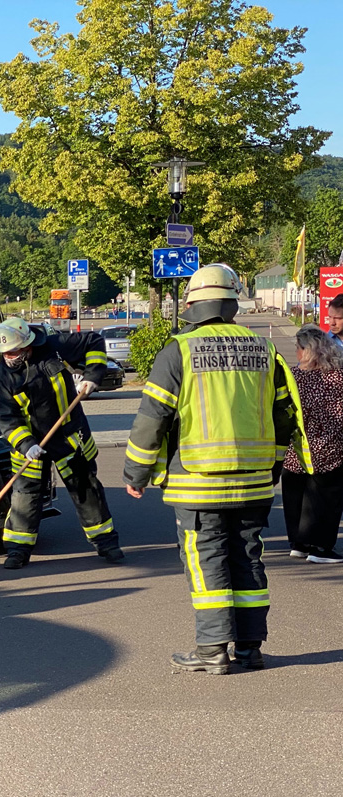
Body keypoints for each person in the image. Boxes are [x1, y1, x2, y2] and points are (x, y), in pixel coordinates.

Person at [123, 263, 303, 674]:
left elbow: (153, 418)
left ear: (192, 305)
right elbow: (284, 415)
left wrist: (136, 472)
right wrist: (274, 465)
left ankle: (212, 650)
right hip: (254, 482)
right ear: (233, 303)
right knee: (248, 559)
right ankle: (250, 649)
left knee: (207, 561)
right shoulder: (264, 349)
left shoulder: (179, 351)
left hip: (198, 482)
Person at [0, 316, 124, 569]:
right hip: (31, 444)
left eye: (13, 352)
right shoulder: (1, 379)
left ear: (27, 345)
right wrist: (26, 445)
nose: (8, 357)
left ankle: (107, 543)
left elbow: (94, 341)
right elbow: (7, 419)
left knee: (85, 489)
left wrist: (92, 375)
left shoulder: (54, 346)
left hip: (69, 436)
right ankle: (17, 550)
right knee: (25, 496)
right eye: (4, 353)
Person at [282, 325, 343, 563]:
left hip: (296, 448)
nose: (296, 352)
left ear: (308, 350)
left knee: (296, 496)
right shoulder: (336, 376)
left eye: (298, 347)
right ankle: (320, 548)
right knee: (326, 499)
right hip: (329, 447)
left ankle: (299, 543)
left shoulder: (292, 376)